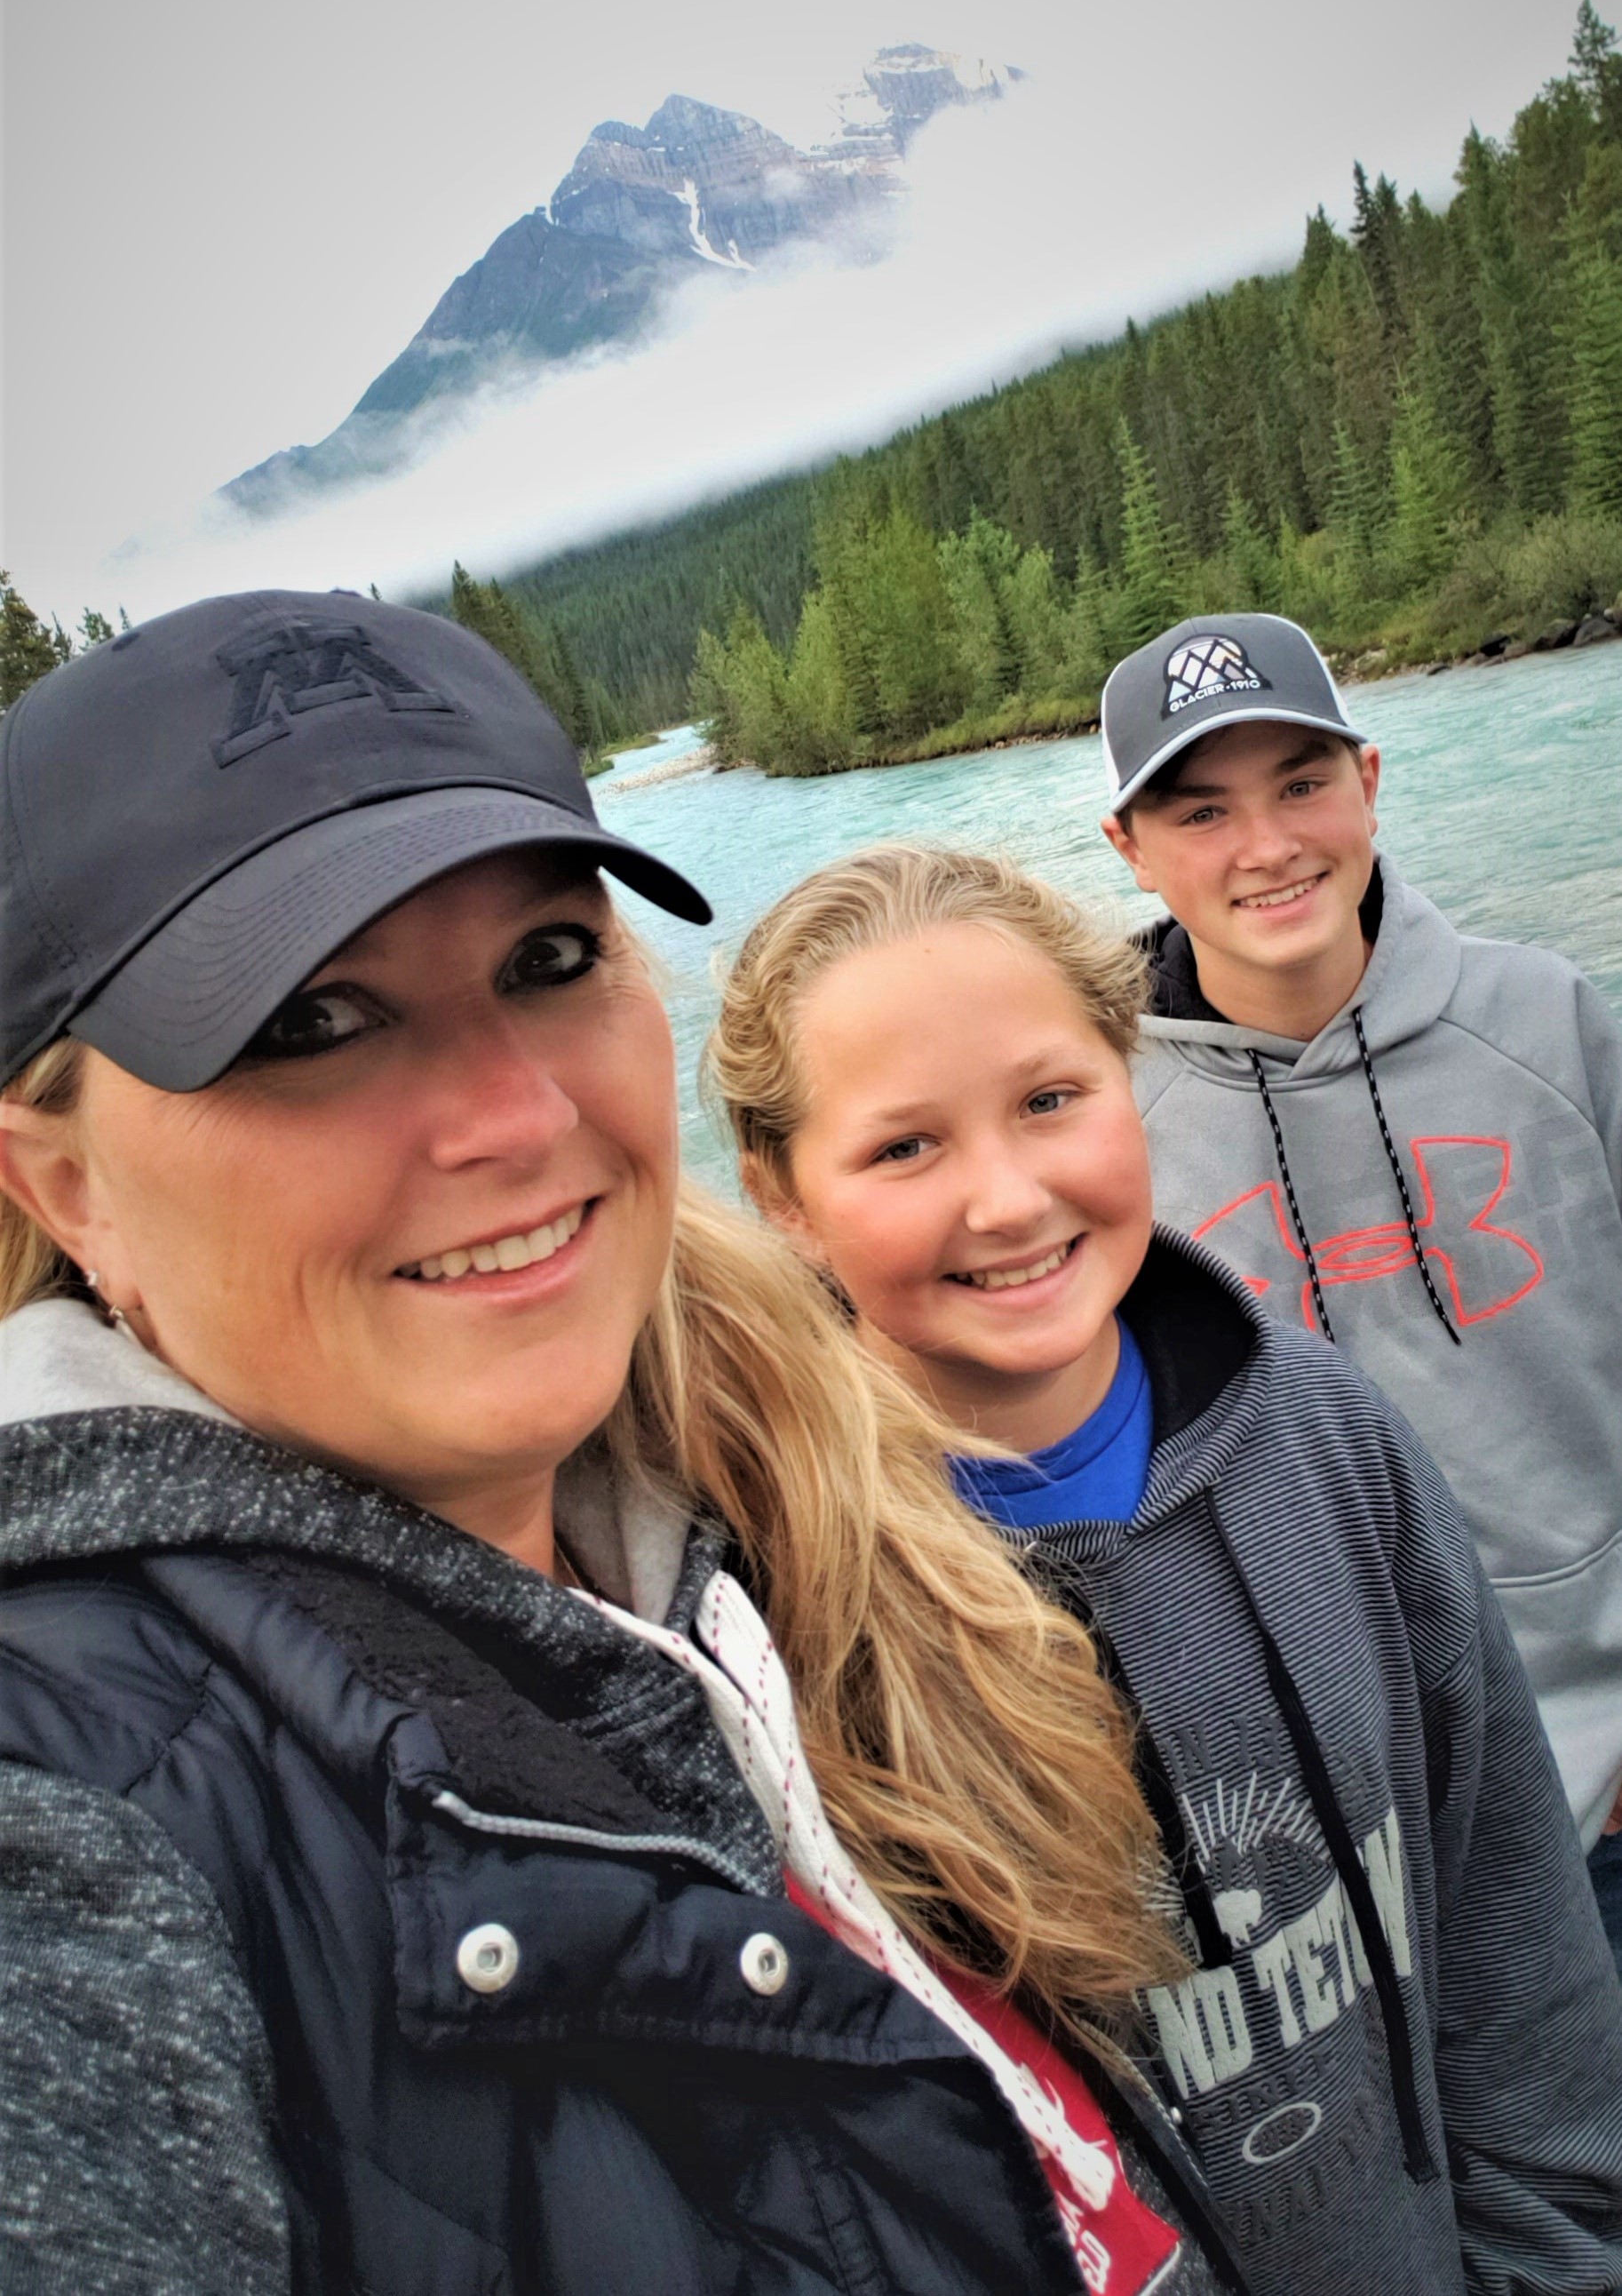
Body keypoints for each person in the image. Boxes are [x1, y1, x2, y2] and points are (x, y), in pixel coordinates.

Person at [0, 592, 1245, 2296]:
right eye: (307, 1020)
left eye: (548, 959)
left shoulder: (770, 1506)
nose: (517, 1113)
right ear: (62, 1185)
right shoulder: (76, 1822)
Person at [706, 839, 1622, 2296]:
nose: (1004, 1199)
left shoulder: (1326, 1435)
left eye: (1049, 1100)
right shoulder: (781, 1603)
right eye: (902, 1146)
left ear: (1126, 1076)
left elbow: (1513, 1934)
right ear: (780, 1193)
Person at [1095, 612, 1622, 1954]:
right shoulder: (1105, 1127)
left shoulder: (1550, 1018)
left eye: (1302, 784)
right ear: (1129, 850)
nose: (1266, 847)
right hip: (1363, 1840)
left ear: (1369, 783)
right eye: (1201, 809)